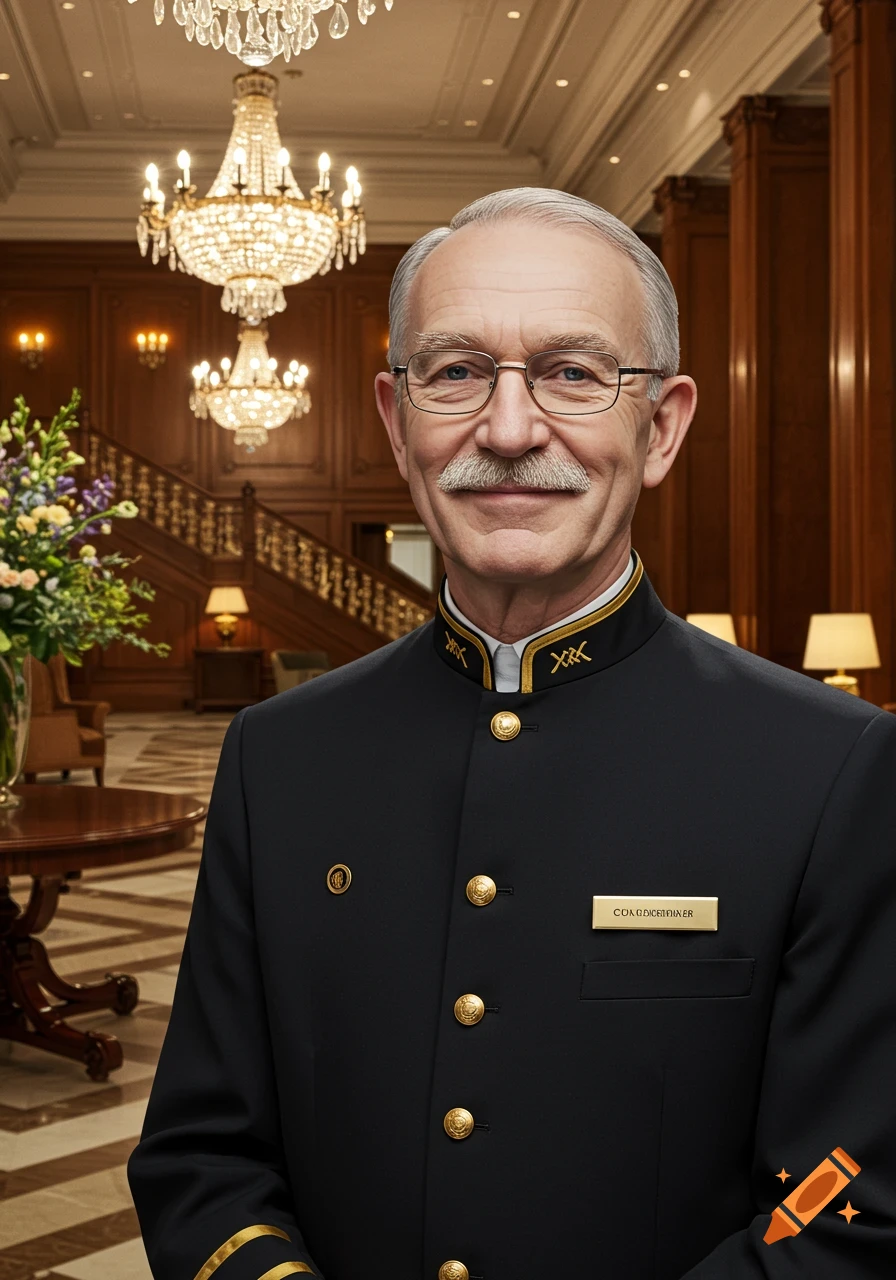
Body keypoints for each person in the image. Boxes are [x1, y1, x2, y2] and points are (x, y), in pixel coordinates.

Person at [128, 188, 896, 1280]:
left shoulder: (828, 769)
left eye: (574, 372)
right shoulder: (278, 757)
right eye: (454, 372)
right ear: (396, 424)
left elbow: (850, 1206)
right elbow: (202, 1156)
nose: (506, 427)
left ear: (663, 424)